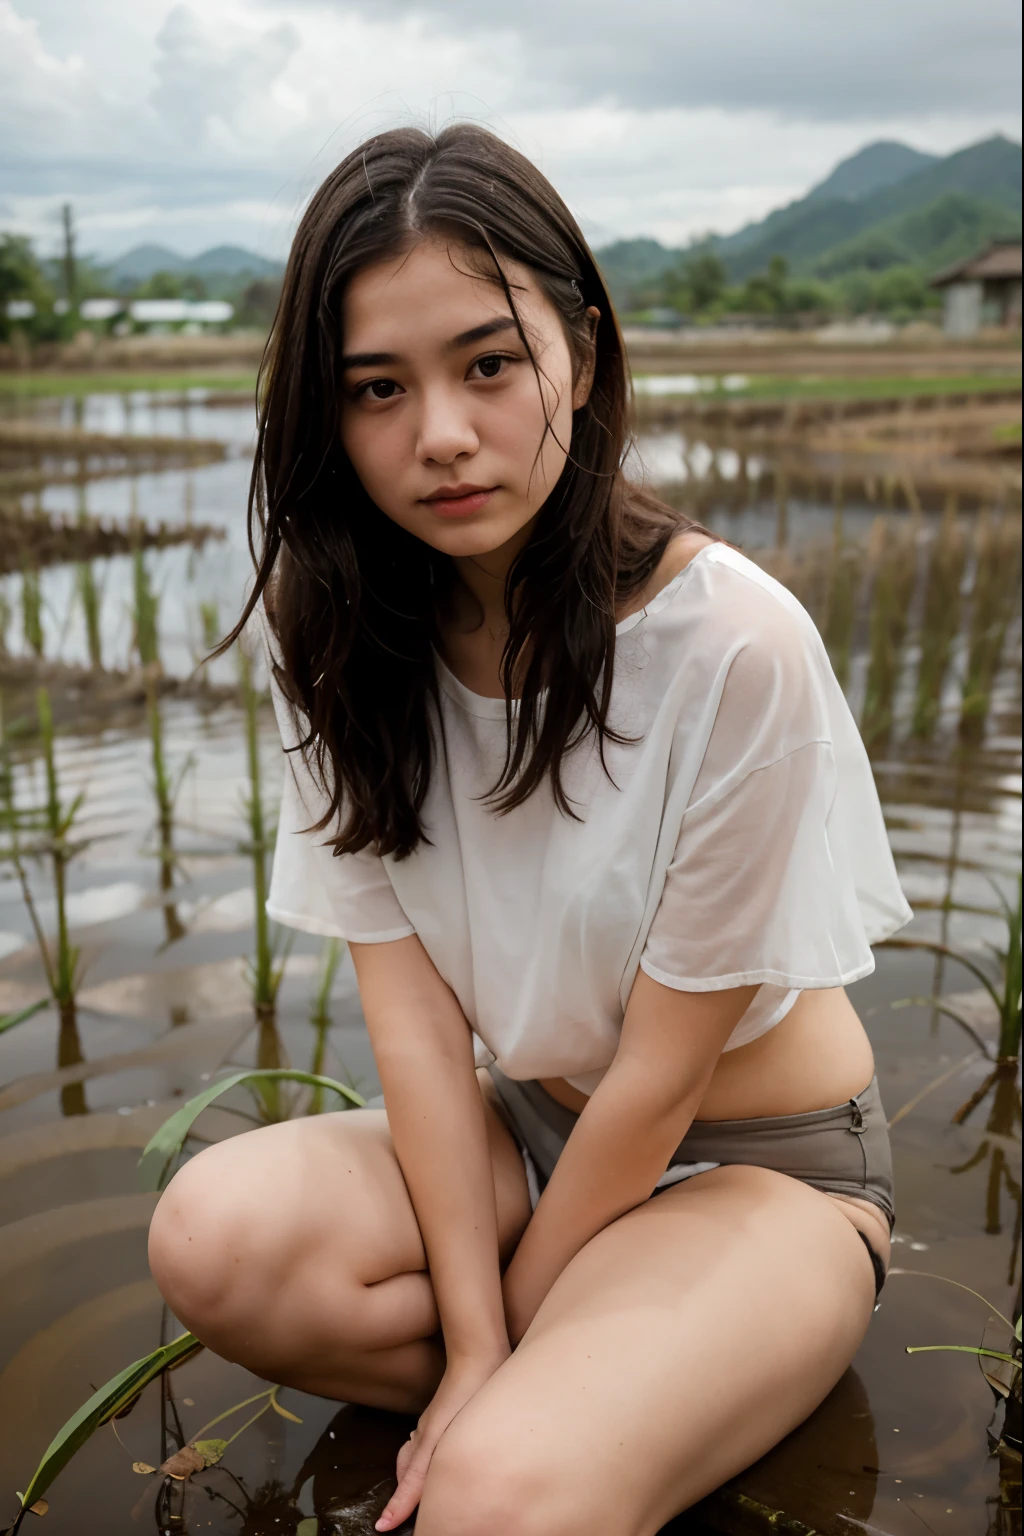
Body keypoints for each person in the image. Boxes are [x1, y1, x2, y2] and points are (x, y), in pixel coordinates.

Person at [148, 123, 913, 1536]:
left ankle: (589, 1415)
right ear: (328, 416)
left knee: (500, 1485)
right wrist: (490, 1344)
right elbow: (425, 1038)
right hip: (529, 1129)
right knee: (214, 1239)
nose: (439, 434)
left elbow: (662, 1081)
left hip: (758, 1164)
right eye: (377, 389)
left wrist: (498, 1366)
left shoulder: (732, 645)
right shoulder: (337, 640)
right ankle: (593, 1405)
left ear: (584, 352)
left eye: (488, 365)